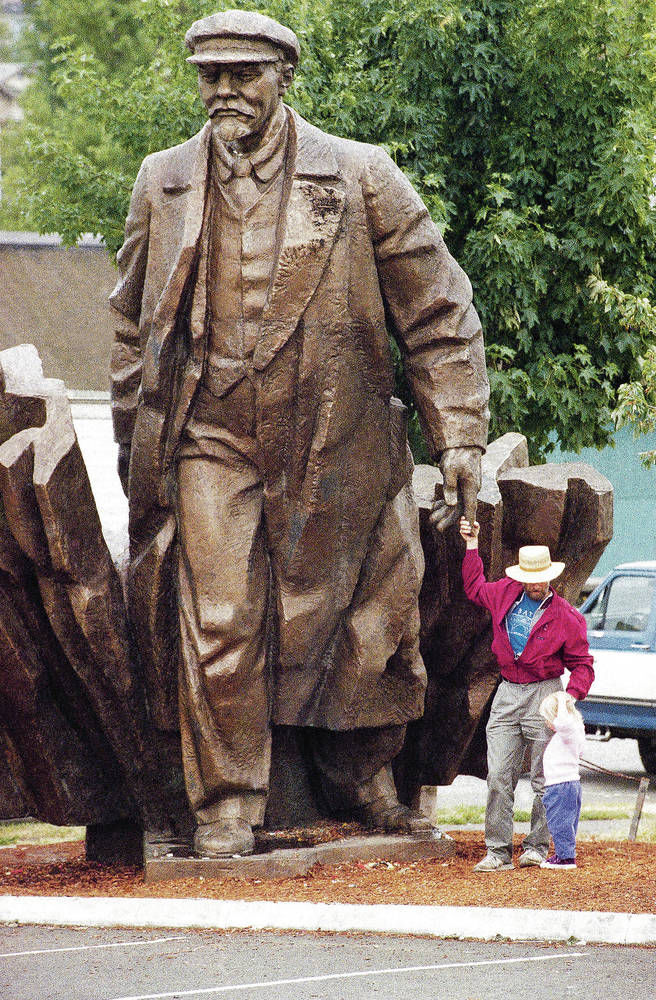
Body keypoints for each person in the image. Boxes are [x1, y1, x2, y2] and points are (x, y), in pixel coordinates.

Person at [109, 9, 490, 858]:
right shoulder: (162, 180)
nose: (224, 91)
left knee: (363, 614)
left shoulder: (360, 175)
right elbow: (133, 325)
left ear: (285, 76)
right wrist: (137, 441)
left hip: (336, 432)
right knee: (221, 613)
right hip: (211, 432)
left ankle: (362, 772)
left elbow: (437, 310)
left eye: (242, 74)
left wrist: (458, 431)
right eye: (210, 74)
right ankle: (228, 801)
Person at [458, 517, 594, 872]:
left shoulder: (567, 617)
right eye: (530, 577)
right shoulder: (504, 591)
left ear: (550, 575)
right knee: (499, 774)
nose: (536, 583)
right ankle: (498, 851)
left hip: (546, 693)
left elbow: (583, 665)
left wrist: (570, 697)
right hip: (506, 691)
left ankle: (536, 846)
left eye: (542, 577)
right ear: (521, 575)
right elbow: (474, 587)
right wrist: (471, 546)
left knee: (543, 777)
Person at [538, 690, 586, 869]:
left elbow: (563, 723)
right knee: (568, 821)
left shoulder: (566, 730)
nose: (548, 722)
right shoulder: (575, 730)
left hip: (560, 785)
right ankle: (565, 852)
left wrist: (560, 700)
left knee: (559, 821)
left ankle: (565, 858)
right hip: (571, 784)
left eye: (548, 718)